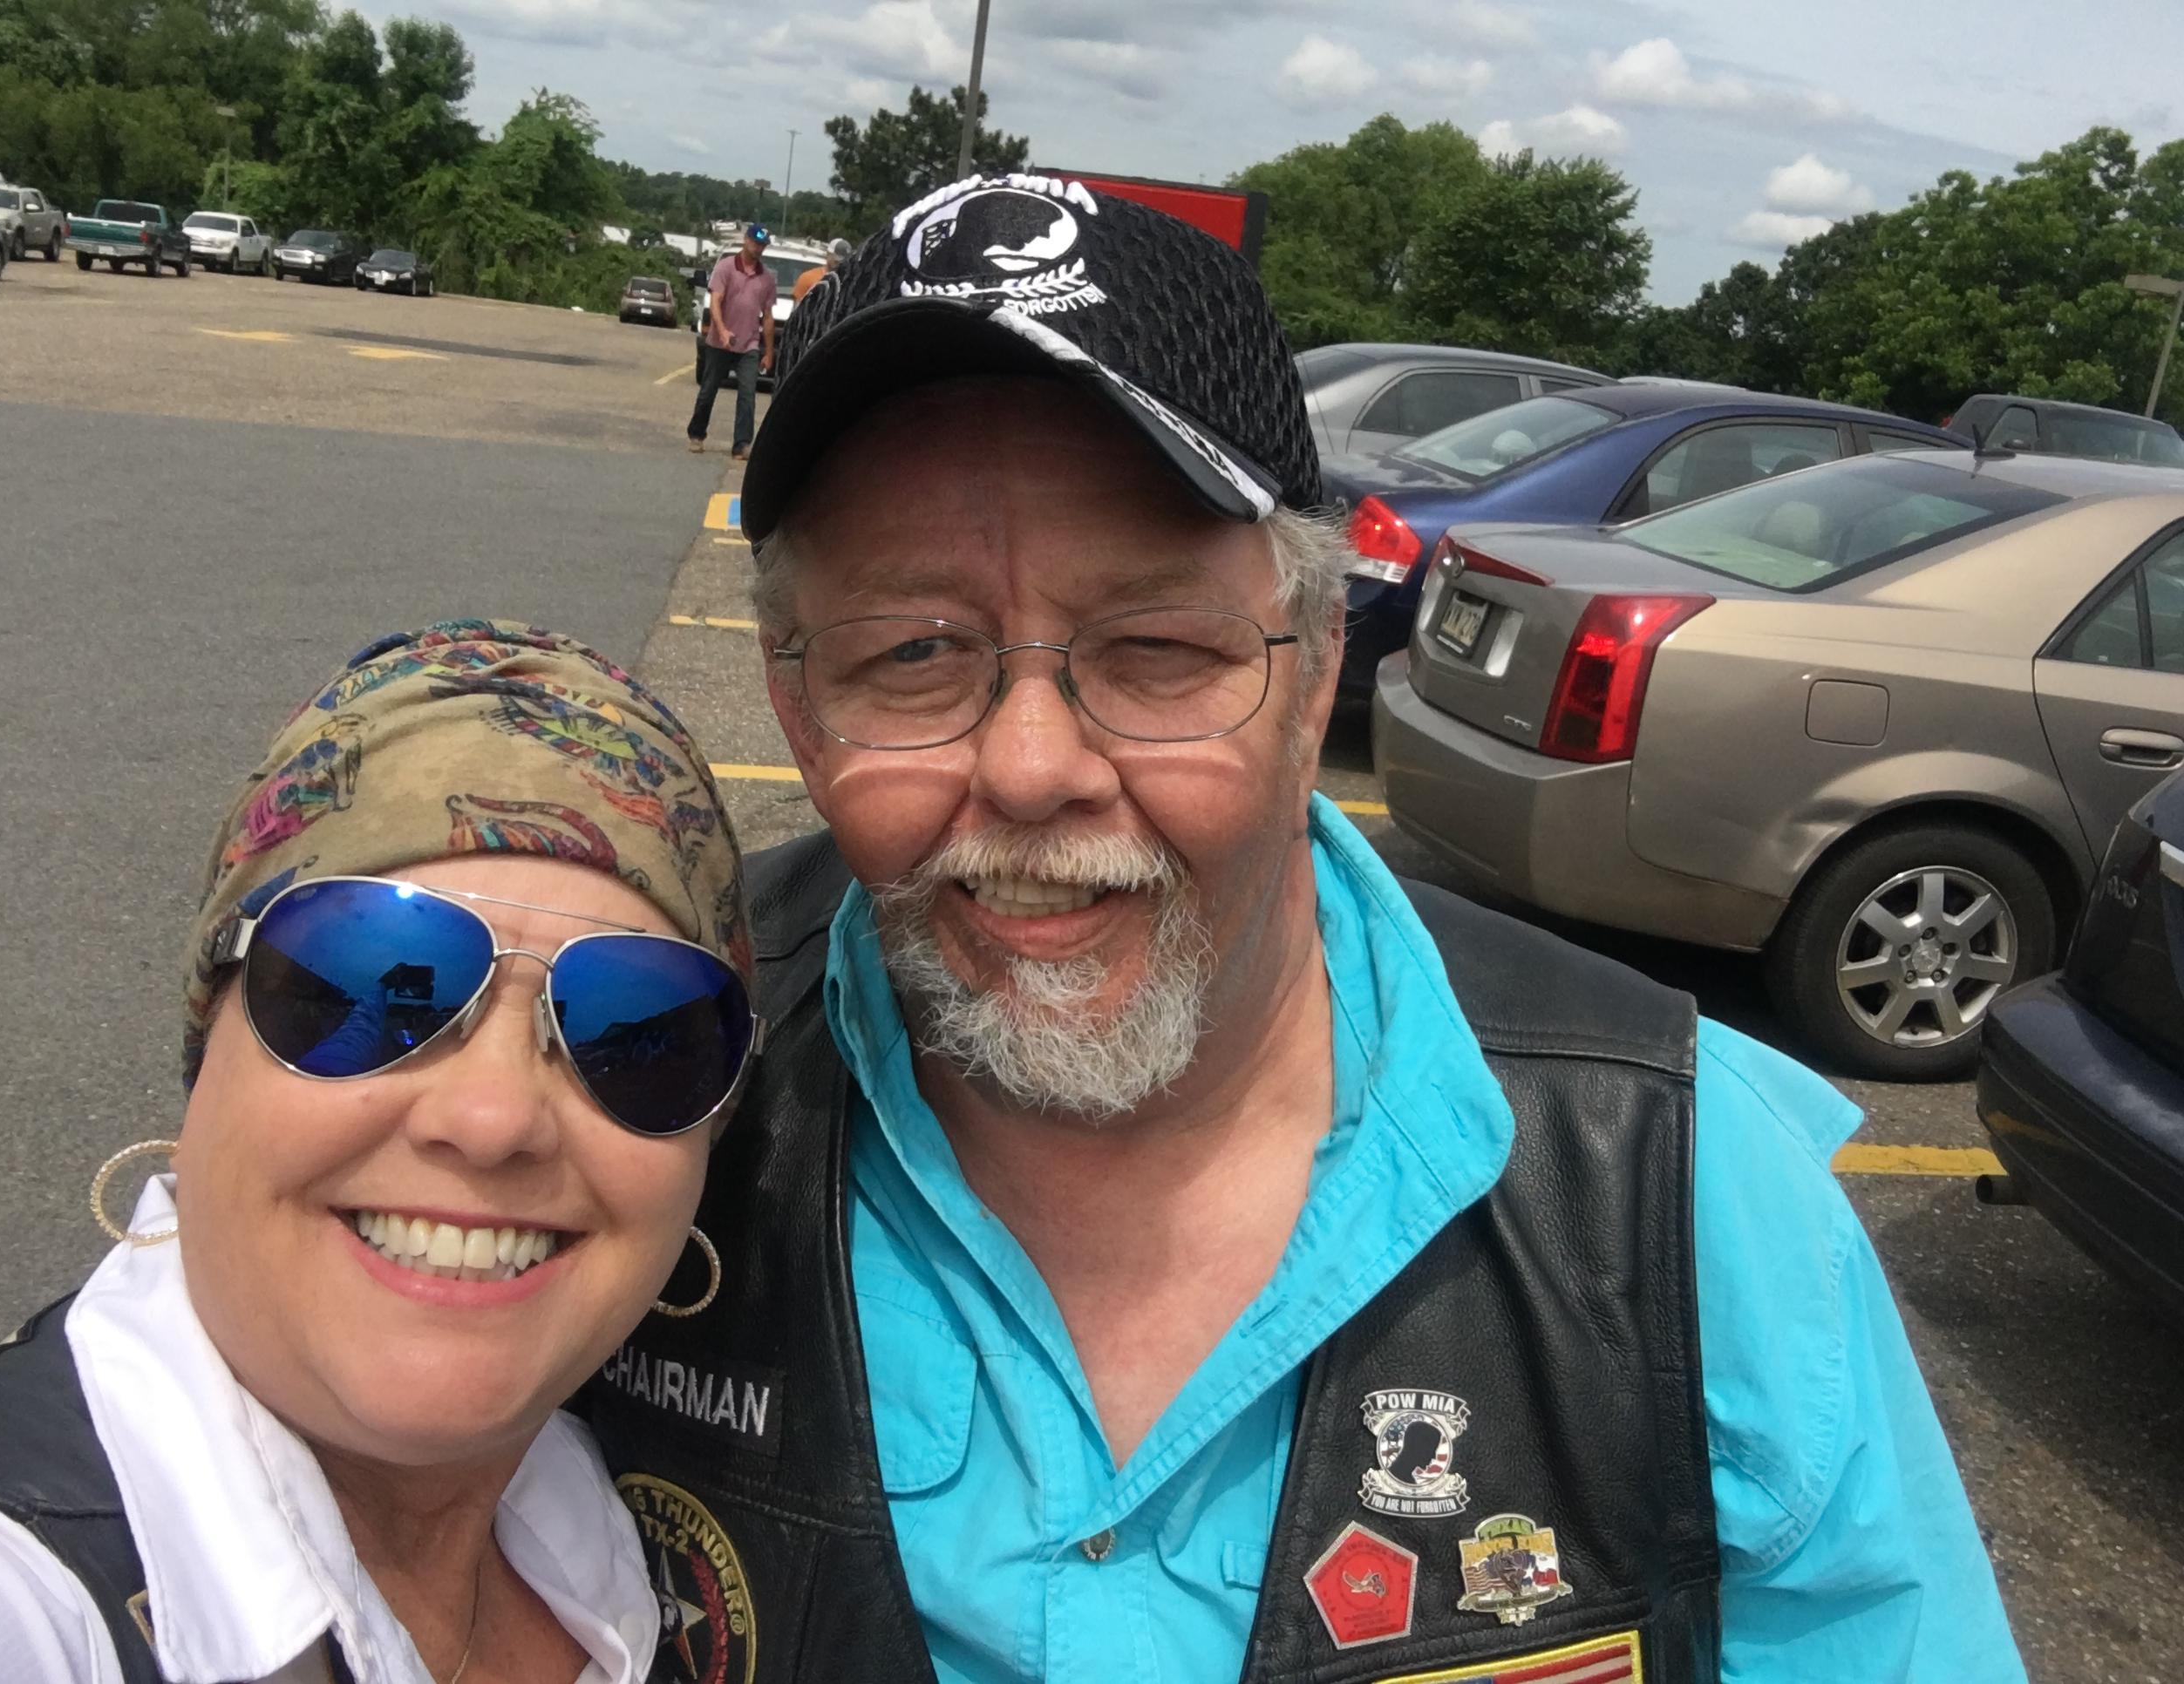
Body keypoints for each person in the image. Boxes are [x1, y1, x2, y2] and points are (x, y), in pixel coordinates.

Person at [582, 177, 2030, 1684]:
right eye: (912, 653)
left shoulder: (1679, 1191)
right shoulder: (640, 1078)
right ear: (797, 704)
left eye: (1155, 647)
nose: (1029, 766)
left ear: (1319, 664)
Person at [0, 621, 760, 1683]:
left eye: (632, 1030)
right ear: (209, 1040)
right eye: (372, 989)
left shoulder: (615, 1506)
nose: (492, 1118)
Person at [688, 224, 777, 461]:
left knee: (747, 394)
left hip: (749, 345)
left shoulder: (767, 279)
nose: (758, 248)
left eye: (762, 245)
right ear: (746, 240)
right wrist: (723, 331)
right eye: (755, 243)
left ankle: (742, 444)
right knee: (708, 391)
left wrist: (769, 352)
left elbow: (768, 317)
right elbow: (715, 302)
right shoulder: (726, 268)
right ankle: (697, 433)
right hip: (720, 344)